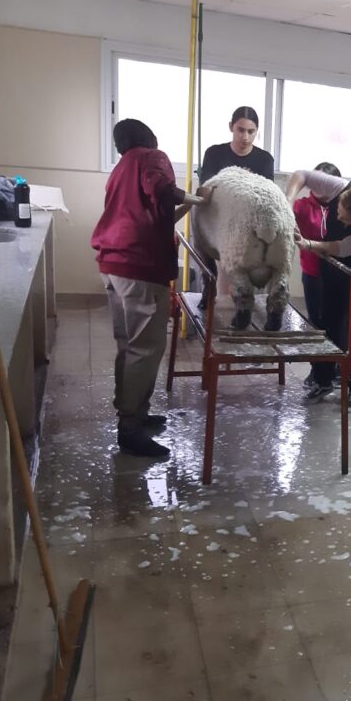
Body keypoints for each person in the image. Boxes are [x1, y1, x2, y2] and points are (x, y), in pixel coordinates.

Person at [91, 119, 211, 457]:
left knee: (128, 344)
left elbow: (157, 216)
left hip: (113, 265)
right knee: (145, 348)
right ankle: (130, 428)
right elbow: (161, 190)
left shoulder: (121, 169)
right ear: (149, 138)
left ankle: (135, 413)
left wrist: (192, 204)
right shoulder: (151, 157)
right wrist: (198, 199)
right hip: (140, 268)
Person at [287, 169, 351, 409]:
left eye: (343, 219)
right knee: (328, 321)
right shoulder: (341, 188)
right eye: (337, 212)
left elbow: (338, 247)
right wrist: (287, 202)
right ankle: (323, 379)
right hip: (334, 265)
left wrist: (306, 243)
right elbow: (302, 174)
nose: (337, 218)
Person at [292, 161, 342, 330]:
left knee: (336, 320)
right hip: (313, 272)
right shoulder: (301, 205)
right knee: (316, 320)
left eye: (323, 181)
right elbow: (285, 212)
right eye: (315, 180)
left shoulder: (342, 207)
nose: (318, 186)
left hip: (338, 272)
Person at [199, 106, 275, 184]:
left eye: (251, 132)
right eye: (241, 130)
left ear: (256, 131)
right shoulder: (213, 153)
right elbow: (206, 185)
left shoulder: (265, 159)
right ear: (231, 126)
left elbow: (267, 190)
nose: (245, 137)